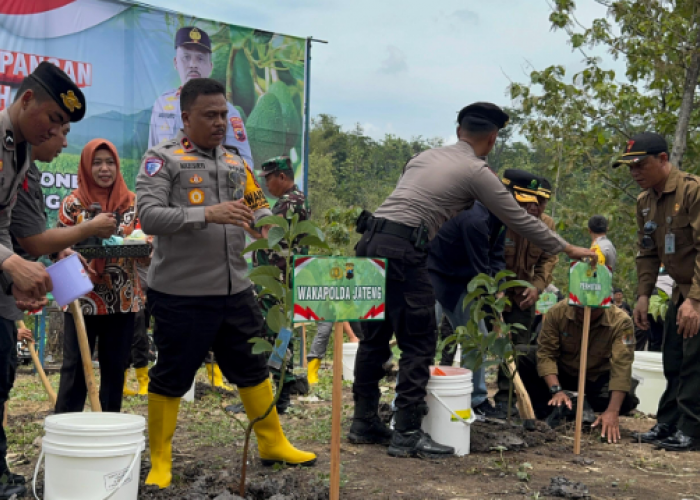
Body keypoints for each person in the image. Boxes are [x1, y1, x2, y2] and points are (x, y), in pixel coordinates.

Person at [350, 101, 595, 459]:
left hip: (369, 243)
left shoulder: (421, 157)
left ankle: (363, 422)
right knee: (419, 342)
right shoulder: (478, 172)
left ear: (459, 131)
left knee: (374, 335)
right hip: (406, 251)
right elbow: (520, 220)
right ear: (493, 138)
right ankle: (405, 434)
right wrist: (569, 248)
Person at [136, 78, 315, 489]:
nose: (220, 122)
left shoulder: (238, 164)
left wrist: (277, 237)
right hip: (181, 293)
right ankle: (160, 460)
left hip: (236, 290)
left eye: (224, 114)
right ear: (186, 118)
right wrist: (207, 214)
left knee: (252, 368)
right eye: (210, 115)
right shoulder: (162, 160)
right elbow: (149, 216)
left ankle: (272, 443)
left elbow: (260, 216)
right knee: (172, 375)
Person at [0, 62, 86, 499]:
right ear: (27, 99)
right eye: (55, 120)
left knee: (0, 375)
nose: (58, 134)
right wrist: (12, 263)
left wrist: (10, 276)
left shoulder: (18, 152)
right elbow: (23, 238)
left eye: (65, 126)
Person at [615, 132, 700, 450]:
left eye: (640, 165)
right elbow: (647, 252)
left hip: (696, 292)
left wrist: (695, 300)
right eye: (630, 168)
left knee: (695, 361)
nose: (634, 173)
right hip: (679, 291)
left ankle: (692, 430)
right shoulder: (645, 202)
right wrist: (642, 296)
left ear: (664, 159)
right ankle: (669, 423)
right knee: (673, 358)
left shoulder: (693, 191)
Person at [54, 139, 145, 414]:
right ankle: (66, 427)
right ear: (86, 165)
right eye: (97, 163)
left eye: (110, 163)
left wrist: (146, 248)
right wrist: (64, 250)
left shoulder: (132, 204)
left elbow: (143, 242)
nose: (104, 169)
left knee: (115, 367)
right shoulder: (73, 203)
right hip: (81, 297)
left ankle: (108, 429)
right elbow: (56, 243)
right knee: (75, 368)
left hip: (122, 298)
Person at [427, 200, 506, 419]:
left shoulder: (501, 218)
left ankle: (476, 398)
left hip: (462, 282)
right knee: (422, 337)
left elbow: (496, 257)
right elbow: (480, 265)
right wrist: (492, 299)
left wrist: (499, 289)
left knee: (477, 339)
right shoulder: (475, 219)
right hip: (434, 274)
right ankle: (407, 402)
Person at [517, 300, 638, 442]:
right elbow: (546, 354)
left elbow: (622, 366)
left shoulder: (624, 323)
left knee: (627, 396)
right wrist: (556, 390)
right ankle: (548, 408)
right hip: (560, 374)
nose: (583, 312)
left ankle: (580, 408)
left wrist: (613, 410)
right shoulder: (555, 312)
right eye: (578, 308)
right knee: (521, 354)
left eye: (592, 309)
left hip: (596, 378)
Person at [493, 170, 559, 416]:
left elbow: (549, 259)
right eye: (531, 200)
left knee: (517, 350)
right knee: (479, 343)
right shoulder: (499, 220)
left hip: (523, 297)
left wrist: (537, 286)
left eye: (542, 202)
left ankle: (507, 401)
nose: (536, 207)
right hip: (491, 294)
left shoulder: (547, 225)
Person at [148, 26, 253, 168]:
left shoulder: (229, 112)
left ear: (210, 66)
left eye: (200, 58)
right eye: (186, 57)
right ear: (175, 62)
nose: (193, 65)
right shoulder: (162, 104)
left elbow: (245, 164)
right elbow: (152, 156)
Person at [253, 156, 309, 413]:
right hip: (277, 281)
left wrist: (250, 222)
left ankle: (281, 394)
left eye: (269, 179)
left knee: (276, 334)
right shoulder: (288, 202)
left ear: (282, 177)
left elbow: (271, 239)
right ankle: (280, 392)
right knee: (277, 333)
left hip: (280, 282)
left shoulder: (290, 203)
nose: (266, 185)